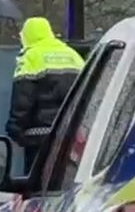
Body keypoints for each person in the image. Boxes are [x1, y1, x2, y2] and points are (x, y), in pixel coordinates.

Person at [6, 17, 84, 174]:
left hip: (39, 135)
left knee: (37, 179)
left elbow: (23, 97)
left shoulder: (31, 56)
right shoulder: (72, 54)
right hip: (71, 132)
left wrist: (15, 128)